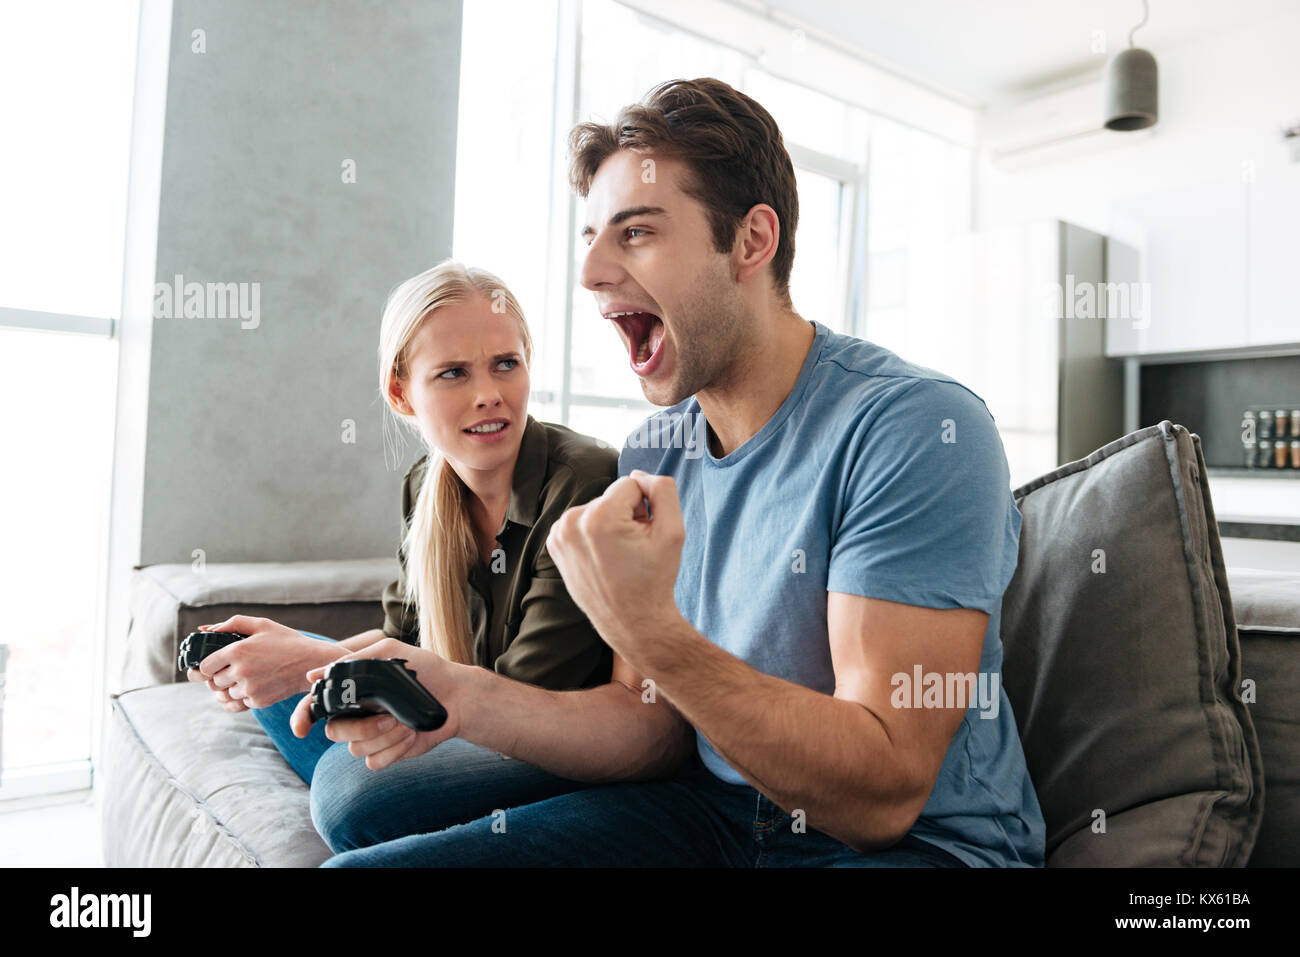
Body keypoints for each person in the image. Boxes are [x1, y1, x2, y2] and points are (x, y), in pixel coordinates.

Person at [303, 77, 1047, 868]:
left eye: (636, 233)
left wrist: (648, 627)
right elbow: (649, 722)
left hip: (918, 847)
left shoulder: (916, 429)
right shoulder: (657, 450)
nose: (589, 270)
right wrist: (460, 694)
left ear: (752, 242)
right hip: (715, 811)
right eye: (591, 236)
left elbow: (883, 791)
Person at [190, 260, 619, 852]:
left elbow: (523, 694)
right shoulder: (426, 486)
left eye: (505, 364)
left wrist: (316, 662)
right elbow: (405, 641)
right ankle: (406, 793)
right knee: (273, 678)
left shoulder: (584, 480)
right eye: (452, 373)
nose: (489, 395)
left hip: (540, 740)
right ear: (401, 392)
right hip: (453, 716)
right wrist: (294, 656)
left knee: (348, 797)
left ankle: (400, 798)